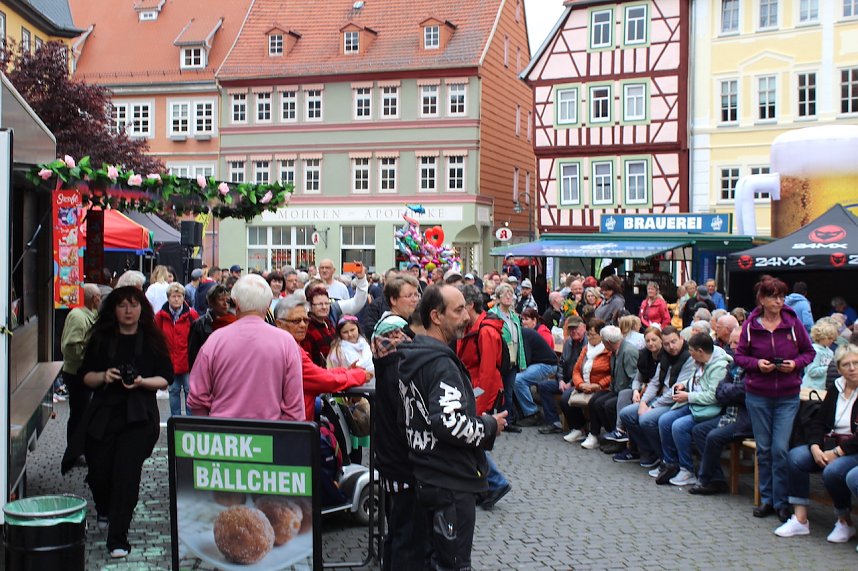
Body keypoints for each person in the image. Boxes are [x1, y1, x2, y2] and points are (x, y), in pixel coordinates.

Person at [398, 285, 506, 570]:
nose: (467, 318)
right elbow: (448, 423)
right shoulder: (440, 364)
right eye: (458, 310)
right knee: (453, 564)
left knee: (435, 560)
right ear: (436, 315)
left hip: (428, 474)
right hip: (450, 480)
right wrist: (489, 425)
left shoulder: (414, 356)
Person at [61, 286, 171, 558]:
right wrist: (104, 376)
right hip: (104, 413)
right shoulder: (101, 339)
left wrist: (143, 382)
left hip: (139, 416)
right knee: (99, 469)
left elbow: (165, 377)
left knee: (126, 473)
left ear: (141, 308)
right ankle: (104, 506)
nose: (128, 310)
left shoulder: (152, 340)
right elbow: (85, 376)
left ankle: (118, 537)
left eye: (133, 305)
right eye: (122, 305)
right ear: (113, 309)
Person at [735, 276, 816, 522]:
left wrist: (795, 364)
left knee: (780, 449)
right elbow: (739, 356)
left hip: (787, 395)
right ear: (762, 298)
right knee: (765, 449)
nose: (779, 301)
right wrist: (758, 364)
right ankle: (767, 499)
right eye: (774, 296)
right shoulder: (751, 325)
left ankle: (781, 502)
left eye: (782, 296)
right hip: (758, 394)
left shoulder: (792, 322)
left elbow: (809, 351)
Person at [188, 274, 305, 420]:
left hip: (223, 435)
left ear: (235, 304)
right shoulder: (286, 342)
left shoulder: (215, 340)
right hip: (269, 434)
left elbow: (197, 397)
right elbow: (295, 407)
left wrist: (208, 429)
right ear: (269, 304)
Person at [774, 344, 858, 542]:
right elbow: (818, 422)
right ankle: (800, 519)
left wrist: (837, 452)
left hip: (852, 448)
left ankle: (844, 521)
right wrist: (814, 446)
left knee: (833, 471)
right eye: (846, 364)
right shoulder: (836, 387)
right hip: (829, 443)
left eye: (856, 363)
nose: (852, 368)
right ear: (838, 369)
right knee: (796, 457)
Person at [273, 294, 369, 426]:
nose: (303, 325)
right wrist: (359, 375)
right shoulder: (288, 350)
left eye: (305, 320)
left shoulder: (291, 346)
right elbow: (323, 380)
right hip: (291, 427)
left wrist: (346, 371)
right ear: (279, 323)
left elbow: (317, 373)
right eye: (296, 321)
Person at [457, 284, 512, 511]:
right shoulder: (472, 327)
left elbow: (488, 373)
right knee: (470, 441)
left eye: (460, 306)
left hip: (481, 393)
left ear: (470, 305)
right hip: (472, 389)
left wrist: (481, 407)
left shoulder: (486, 331)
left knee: (471, 440)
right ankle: (488, 484)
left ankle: (495, 483)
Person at [653, 332, 731, 486]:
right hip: (695, 404)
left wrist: (687, 396)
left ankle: (686, 468)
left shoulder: (719, 368)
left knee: (679, 426)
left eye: (692, 351)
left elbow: (713, 396)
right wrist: (684, 384)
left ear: (700, 351)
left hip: (708, 408)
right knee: (664, 420)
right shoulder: (701, 361)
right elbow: (697, 379)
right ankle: (670, 463)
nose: (690, 354)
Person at [614, 326, 695, 467]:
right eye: (667, 344)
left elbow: (675, 391)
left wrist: (651, 406)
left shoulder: (689, 357)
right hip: (660, 398)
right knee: (626, 414)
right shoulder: (665, 356)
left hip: (676, 402)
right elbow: (655, 382)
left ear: (681, 338)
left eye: (674, 342)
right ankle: (649, 451)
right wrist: (644, 401)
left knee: (646, 419)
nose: (671, 347)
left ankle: (665, 458)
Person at [689, 328, 751, 495]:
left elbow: (743, 391)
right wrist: (730, 391)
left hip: (748, 417)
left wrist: (729, 390)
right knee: (699, 431)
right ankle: (716, 479)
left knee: (713, 436)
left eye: (736, 342)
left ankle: (704, 479)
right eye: (731, 342)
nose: (732, 346)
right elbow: (720, 391)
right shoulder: (734, 364)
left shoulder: (753, 365)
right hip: (730, 412)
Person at [581, 325, 638, 450]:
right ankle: (595, 434)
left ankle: (619, 439)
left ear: (608, 342)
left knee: (608, 405)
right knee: (595, 401)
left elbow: (634, 377)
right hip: (616, 388)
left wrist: (628, 394)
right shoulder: (614, 352)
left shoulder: (627, 352)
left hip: (626, 392)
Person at [60, 283, 102, 443]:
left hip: (84, 371)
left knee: (84, 412)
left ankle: (80, 447)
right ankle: (75, 449)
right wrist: (89, 358)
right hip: (77, 372)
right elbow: (71, 346)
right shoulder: (78, 316)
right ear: (94, 298)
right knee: (79, 413)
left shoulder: (91, 314)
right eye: (99, 297)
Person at [560, 319, 611, 443]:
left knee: (595, 402)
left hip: (600, 386)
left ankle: (594, 434)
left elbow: (611, 374)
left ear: (601, 335)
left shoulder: (607, 350)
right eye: (589, 334)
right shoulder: (585, 349)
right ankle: (578, 428)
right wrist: (580, 384)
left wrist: (598, 385)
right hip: (583, 384)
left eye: (593, 334)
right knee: (565, 398)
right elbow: (576, 370)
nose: (590, 337)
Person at [154, 283, 199, 416]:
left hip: (187, 360)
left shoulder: (192, 315)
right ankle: (175, 420)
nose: (176, 299)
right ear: (168, 298)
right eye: (173, 296)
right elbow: (157, 337)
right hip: (170, 359)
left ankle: (190, 422)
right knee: (173, 391)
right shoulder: (160, 316)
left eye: (179, 296)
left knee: (189, 391)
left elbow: (196, 337)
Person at [537, 316, 586, 435]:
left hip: (581, 382)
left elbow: (583, 369)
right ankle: (554, 422)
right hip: (565, 381)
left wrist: (571, 383)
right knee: (543, 386)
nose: (573, 331)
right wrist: (560, 380)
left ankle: (578, 426)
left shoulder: (588, 344)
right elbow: (561, 363)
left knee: (565, 397)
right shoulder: (568, 342)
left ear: (583, 328)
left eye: (576, 328)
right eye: (571, 329)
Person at [489, 283, 526, 426]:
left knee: (508, 392)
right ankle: (495, 419)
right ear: (498, 298)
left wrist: (521, 362)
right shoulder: (493, 315)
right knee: (498, 390)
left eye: (511, 294)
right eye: (505, 294)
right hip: (500, 359)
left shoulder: (515, 317)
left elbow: (520, 340)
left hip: (513, 360)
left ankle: (507, 421)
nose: (509, 297)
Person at [513, 324, 559, 427]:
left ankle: (532, 413)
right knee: (514, 378)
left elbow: (525, 361)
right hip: (538, 363)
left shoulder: (523, 335)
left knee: (518, 380)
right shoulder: (520, 333)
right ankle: (521, 411)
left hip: (548, 365)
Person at [187, 284, 235, 368]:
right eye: (220, 299)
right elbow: (193, 357)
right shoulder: (199, 325)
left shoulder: (235, 322)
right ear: (211, 302)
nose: (225, 304)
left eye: (227, 300)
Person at [302, 286, 338, 368]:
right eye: (320, 304)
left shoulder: (328, 322)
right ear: (310, 306)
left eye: (327, 303)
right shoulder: (307, 328)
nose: (324, 307)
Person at [802, 320, 838, 389]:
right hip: (811, 387)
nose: (832, 341)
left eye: (833, 339)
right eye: (829, 338)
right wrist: (829, 369)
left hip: (823, 387)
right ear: (821, 337)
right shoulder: (814, 351)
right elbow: (812, 371)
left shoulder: (830, 352)